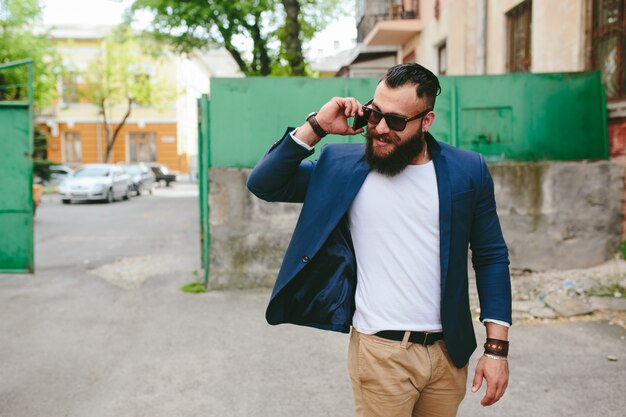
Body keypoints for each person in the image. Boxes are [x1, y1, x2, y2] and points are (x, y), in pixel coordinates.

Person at [247, 63, 511, 417]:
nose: (381, 129)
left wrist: (496, 349)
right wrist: (317, 127)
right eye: (374, 115)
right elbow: (264, 183)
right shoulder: (342, 165)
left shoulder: (467, 171)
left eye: (397, 121)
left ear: (426, 121)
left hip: (449, 353)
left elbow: (491, 256)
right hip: (381, 352)